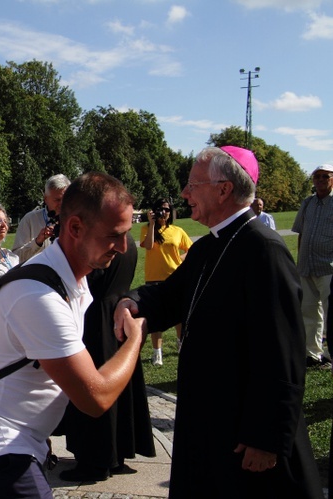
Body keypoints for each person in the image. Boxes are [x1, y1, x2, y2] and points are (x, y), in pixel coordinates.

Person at [115, 146, 323, 498]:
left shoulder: (264, 249)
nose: (184, 194)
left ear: (224, 189)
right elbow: (171, 297)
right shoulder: (209, 246)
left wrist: (266, 438)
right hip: (211, 417)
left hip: (245, 433)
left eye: (193, 185)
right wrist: (130, 302)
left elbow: (283, 351)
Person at [0, 172, 146, 498]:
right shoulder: (39, 297)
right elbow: (95, 399)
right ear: (75, 228)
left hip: (8, 439)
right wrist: (135, 337)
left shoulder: (70, 280)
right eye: (114, 235)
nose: (123, 247)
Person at [56, 232, 155, 482]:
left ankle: (95, 461)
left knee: (92, 385)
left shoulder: (102, 242)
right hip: (118, 311)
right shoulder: (128, 241)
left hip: (96, 320)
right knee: (119, 387)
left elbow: (90, 277)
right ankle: (117, 455)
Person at [139, 198, 191, 365]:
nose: (164, 213)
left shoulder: (177, 230)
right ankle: (157, 353)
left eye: (167, 210)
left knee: (178, 317)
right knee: (156, 318)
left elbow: (191, 249)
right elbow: (147, 246)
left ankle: (181, 344)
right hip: (154, 277)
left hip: (174, 277)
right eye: (161, 209)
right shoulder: (146, 228)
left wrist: (179, 260)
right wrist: (153, 224)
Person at [292, 164, 333, 368]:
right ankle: (312, 354)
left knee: (330, 313)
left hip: (328, 267)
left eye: (325, 176)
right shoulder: (307, 203)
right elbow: (300, 232)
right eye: (316, 176)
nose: (320, 180)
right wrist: (300, 261)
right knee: (308, 311)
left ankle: (329, 354)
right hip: (307, 266)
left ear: (332, 179)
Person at [12, 174, 70, 263]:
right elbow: (15, 258)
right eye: (57, 200)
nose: (62, 204)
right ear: (46, 199)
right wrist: (37, 242)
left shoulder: (76, 220)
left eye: (65, 199)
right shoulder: (30, 219)